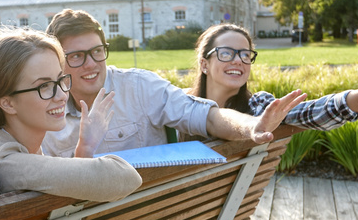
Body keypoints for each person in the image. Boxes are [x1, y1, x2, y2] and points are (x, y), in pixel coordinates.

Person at [40, 9, 307, 157]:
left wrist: (253, 125)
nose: (91, 64)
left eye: (97, 51)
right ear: (58, 61)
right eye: (76, 56)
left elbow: (208, 116)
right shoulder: (44, 111)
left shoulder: (140, 87)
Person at [0, 27, 142, 202]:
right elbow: (126, 178)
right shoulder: (8, 164)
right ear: (7, 103)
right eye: (43, 86)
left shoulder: (2, 144)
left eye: (60, 80)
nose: (61, 96)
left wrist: (85, 147)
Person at [189, 23, 358, 128]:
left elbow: (319, 110)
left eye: (245, 54)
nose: (237, 60)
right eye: (226, 53)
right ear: (204, 64)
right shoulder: (178, 105)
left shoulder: (260, 107)